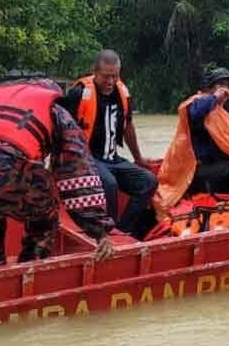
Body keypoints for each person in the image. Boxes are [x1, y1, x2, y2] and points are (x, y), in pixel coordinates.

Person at [0, 77, 115, 268]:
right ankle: (30, 266)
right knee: (45, 219)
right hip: (12, 167)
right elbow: (77, 171)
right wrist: (99, 230)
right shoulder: (54, 109)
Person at [60, 50, 157, 239]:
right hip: (88, 159)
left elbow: (128, 126)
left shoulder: (123, 93)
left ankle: (123, 229)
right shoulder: (79, 94)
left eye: (115, 76)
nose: (111, 82)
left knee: (148, 181)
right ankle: (107, 234)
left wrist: (138, 158)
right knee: (109, 183)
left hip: (114, 159)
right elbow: (59, 127)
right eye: (106, 76)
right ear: (94, 71)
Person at [153, 68, 229, 218]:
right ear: (208, 88)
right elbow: (196, 113)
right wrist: (215, 96)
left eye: (228, 86)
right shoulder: (196, 103)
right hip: (195, 170)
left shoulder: (220, 113)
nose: (225, 89)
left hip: (214, 166)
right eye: (220, 84)